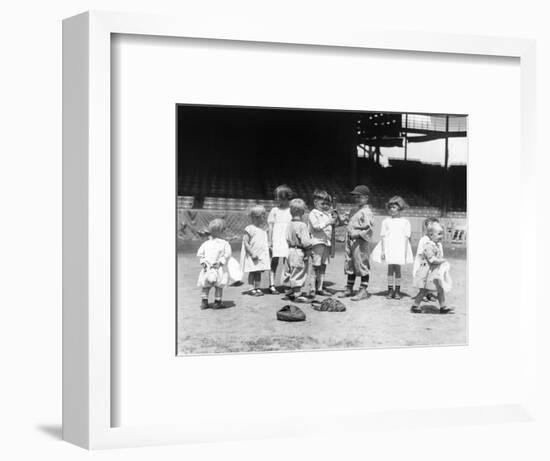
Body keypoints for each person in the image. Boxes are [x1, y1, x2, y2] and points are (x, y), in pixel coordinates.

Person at [371, 196, 413, 299]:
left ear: (400, 208)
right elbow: (383, 236)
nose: (391, 209)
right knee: (390, 269)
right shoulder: (386, 221)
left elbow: (407, 238)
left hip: (399, 248)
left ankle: (397, 291)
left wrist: (405, 251)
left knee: (397, 270)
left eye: (394, 207)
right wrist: (383, 250)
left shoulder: (405, 222)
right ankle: (390, 291)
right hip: (389, 247)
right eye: (390, 207)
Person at [338, 185, 374, 301]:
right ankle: (349, 288)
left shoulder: (367, 212)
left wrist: (358, 234)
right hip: (350, 240)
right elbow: (346, 221)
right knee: (350, 263)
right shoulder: (354, 210)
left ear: (366, 198)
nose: (357, 199)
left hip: (360, 241)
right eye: (355, 197)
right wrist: (339, 216)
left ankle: (363, 290)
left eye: (360, 197)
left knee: (361, 264)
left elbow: (369, 229)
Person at [410, 222, 453, 314]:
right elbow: (432, 260)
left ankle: (443, 307)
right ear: (431, 235)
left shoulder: (437, 245)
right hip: (427, 273)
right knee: (424, 291)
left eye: (442, 234)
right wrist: (442, 261)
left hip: (434, 273)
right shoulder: (428, 246)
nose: (441, 236)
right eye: (439, 234)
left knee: (440, 289)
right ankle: (415, 305)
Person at [196, 218, 232, 309]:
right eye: (223, 230)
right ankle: (217, 302)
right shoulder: (224, 243)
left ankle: (204, 302)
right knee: (219, 286)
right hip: (217, 267)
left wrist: (203, 262)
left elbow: (201, 255)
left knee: (206, 286)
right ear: (221, 231)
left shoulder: (206, 243)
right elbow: (227, 255)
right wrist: (220, 262)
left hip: (207, 268)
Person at [308, 189, 336, 296]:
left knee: (323, 265)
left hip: (326, 243)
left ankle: (320, 287)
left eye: (327, 204)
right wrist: (328, 221)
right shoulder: (313, 213)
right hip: (317, 242)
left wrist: (338, 219)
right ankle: (312, 289)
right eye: (322, 203)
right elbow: (316, 227)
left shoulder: (327, 214)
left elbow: (333, 224)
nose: (325, 206)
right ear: (315, 202)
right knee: (316, 265)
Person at [284, 198, 313, 302]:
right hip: (299, 250)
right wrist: (309, 248)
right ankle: (297, 294)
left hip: (289, 250)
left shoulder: (289, 224)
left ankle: (288, 291)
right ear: (301, 211)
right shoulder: (302, 225)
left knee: (289, 270)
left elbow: (286, 237)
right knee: (298, 270)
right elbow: (306, 241)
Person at [267, 185, 293, 294]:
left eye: (279, 197)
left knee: (288, 262)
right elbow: (270, 227)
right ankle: (272, 284)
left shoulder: (292, 210)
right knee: (274, 261)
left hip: (287, 238)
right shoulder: (274, 210)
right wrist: (270, 241)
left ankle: (286, 284)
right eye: (276, 197)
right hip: (276, 238)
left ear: (286, 197)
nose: (276, 199)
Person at [240, 205, 271, 296]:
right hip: (252, 255)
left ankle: (257, 288)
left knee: (258, 272)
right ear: (256, 217)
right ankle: (251, 288)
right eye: (263, 215)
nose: (264, 217)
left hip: (260, 255)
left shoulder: (263, 229)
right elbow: (245, 243)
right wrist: (252, 253)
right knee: (253, 272)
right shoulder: (249, 228)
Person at [413, 217, 442, 302]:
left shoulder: (437, 239)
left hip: (433, 263)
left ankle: (429, 294)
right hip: (424, 262)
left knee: (431, 278)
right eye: (429, 224)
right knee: (423, 278)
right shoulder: (424, 239)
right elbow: (420, 253)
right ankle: (422, 294)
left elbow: (440, 251)